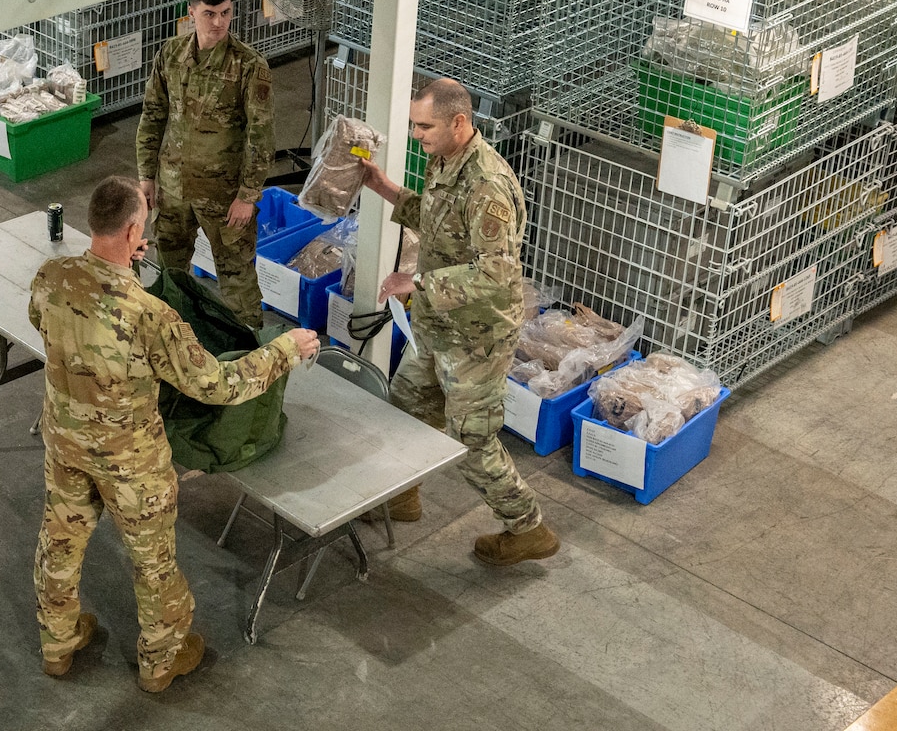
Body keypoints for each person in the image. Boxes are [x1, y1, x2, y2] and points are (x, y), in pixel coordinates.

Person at [29, 176, 319, 692]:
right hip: (131, 462)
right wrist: (284, 351)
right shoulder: (150, 315)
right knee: (152, 562)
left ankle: (58, 643)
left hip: (67, 442)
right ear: (135, 230)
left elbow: (45, 324)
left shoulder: (51, 276)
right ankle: (161, 661)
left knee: (61, 541)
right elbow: (216, 384)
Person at [358, 79, 559, 567]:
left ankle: (527, 528)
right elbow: (436, 218)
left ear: (459, 122)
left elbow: (497, 272)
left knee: (470, 439)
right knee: (407, 405)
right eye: (414, 125)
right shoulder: (447, 158)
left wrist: (419, 282)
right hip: (439, 325)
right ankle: (403, 497)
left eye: (424, 126)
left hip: (477, 336)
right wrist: (383, 186)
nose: (417, 134)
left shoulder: (487, 186)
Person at [136, 0, 275, 328]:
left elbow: (261, 137)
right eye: (210, 14)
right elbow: (153, 115)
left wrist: (247, 195)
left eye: (226, 13)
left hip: (223, 195)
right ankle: (174, 344)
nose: (219, 23)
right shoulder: (170, 54)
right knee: (171, 275)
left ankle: (249, 354)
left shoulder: (249, 66)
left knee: (237, 281)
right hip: (172, 189)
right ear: (192, 12)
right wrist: (146, 176)